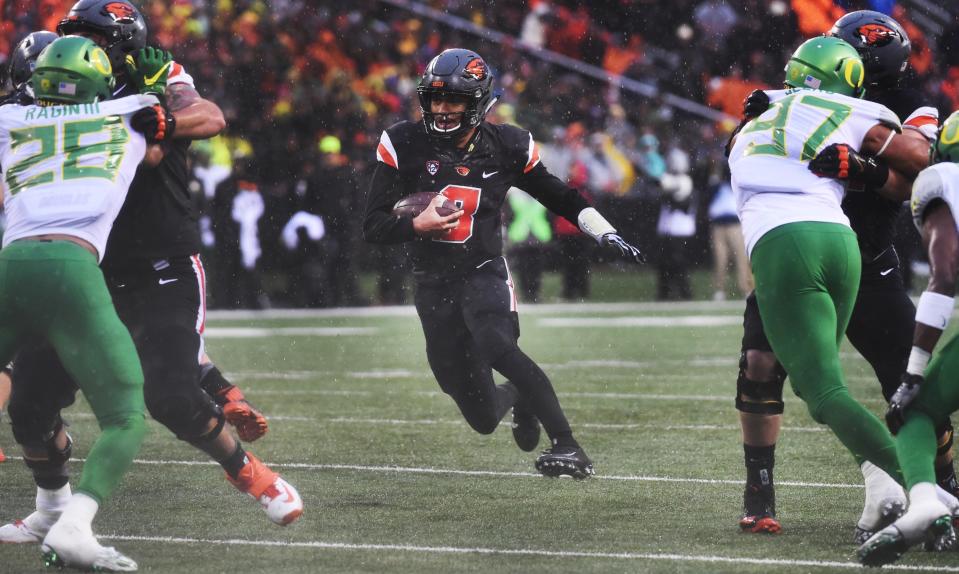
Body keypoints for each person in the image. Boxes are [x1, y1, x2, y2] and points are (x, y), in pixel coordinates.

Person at [0, 0, 301, 546]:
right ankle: (51, 506)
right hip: (84, 268)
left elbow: (202, 120)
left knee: (169, 395)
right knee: (30, 403)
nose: (72, 52)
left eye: (87, 37)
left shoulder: (147, 87)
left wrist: (163, 118)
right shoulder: (45, 97)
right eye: (68, 37)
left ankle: (249, 473)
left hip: (159, 259)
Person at [364, 48, 642, 478]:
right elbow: (374, 226)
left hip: (483, 272)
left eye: (454, 99)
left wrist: (600, 228)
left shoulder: (507, 145)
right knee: (482, 416)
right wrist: (416, 226)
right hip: (432, 283)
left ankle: (568, 446)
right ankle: (519, 396)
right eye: (435, 98)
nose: (441, 108)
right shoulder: (403, 142)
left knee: (497, 344)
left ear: (478, 101)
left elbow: (558, 195)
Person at [730, 11, 945, 538]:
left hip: (863, 256)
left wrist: (866, 169)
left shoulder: (898, 105)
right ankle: (767, 489)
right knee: (762, 364)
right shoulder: (801, 102)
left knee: (895, 380)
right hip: (833, 243)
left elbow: (919, 164)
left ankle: (936, 489)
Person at [0, 35, 159, 572]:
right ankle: (74, 524)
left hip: (10, 265)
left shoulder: (10, 119)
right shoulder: (133, 112)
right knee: (124, 416)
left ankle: (58, 512)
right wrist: (161, 88)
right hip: (72, 268)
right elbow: (190, 123)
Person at [857, 111, 959, 566]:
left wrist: (915, 368)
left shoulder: (940, 177)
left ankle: (926, 503)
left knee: (916, 411)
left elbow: (945, 273)